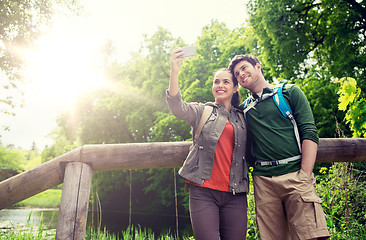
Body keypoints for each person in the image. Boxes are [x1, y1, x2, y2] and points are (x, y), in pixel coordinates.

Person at [228, 55, 330, 240]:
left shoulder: (289, 92)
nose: (241, 74)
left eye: (244, 68)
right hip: (264, 182)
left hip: (296, 175)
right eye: (237, 74)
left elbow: (309, 132)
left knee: (310, 235)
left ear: (258, 66)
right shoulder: (243, 109)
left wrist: (305, 175)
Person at [167, 47, 249, 240]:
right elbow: (177, 107)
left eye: (226, 82)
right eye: (216, 81)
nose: (220, 85)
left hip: (235, 195)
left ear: (235, 87)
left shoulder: (245, 116)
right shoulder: (202, 111)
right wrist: (174, 70)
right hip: (203, 191)